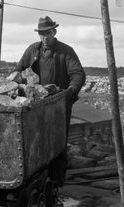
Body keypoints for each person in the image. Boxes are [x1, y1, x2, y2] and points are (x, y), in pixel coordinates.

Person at [14, 16, 86, 188]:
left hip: (58, 105)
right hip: (36, 106)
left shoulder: (66, 51)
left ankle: (56, 184)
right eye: (41, 34)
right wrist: (16, 84)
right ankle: (36, 179)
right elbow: (18, 71)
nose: (44, 37)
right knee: (35, 141)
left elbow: (78, 74)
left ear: (54, 31)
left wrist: (70, 91)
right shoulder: (33, 50)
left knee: (58, 142)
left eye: (47, 33)